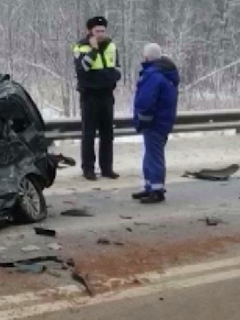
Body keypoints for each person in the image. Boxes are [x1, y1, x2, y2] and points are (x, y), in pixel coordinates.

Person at [72, 16, 121, 180]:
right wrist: (93, 50)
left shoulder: (111, 46)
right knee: (89, 134)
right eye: (97, 31)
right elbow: (83, 71)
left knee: (108, 134)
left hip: (107, 95)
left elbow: (117, 70)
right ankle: (88, 168)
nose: (100, 34)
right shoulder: (81, 47)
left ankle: (107, 168)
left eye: (102, 31)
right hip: (89, 96)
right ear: (90, 32)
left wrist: (106, 77)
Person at [132, 43, 180, 204]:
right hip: (163, 120)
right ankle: (149, 186)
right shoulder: (165, 73)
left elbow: (145, 100)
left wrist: (142, 119)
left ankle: (157, 190)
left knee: (154, 156)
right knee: (150, 154)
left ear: (147, 57)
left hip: (154, 122)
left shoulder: (153, 75)